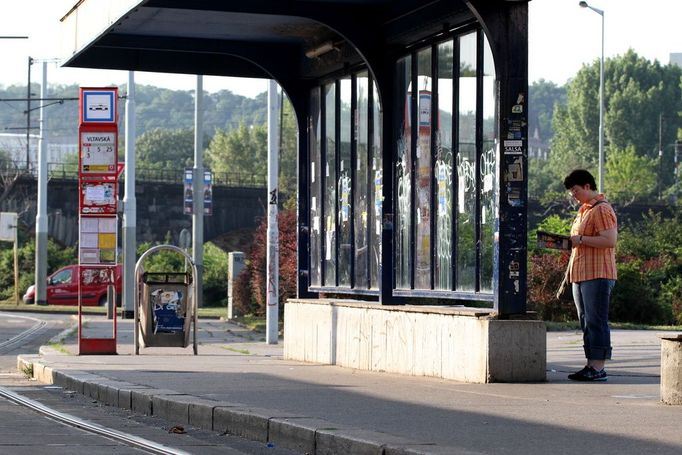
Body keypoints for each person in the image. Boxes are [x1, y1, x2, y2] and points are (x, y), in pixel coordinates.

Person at [563, 169, 617, 382]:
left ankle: (598, 366)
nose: (573, 195)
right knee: (585, 320)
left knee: (596, 320)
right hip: (581, 273)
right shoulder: (583, 211)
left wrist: (582, 240)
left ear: (587, 186)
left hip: (598, 273)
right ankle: (590, 364)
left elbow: (609, 240)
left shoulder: (601, 209)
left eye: (575, 190)